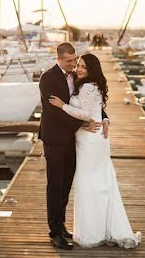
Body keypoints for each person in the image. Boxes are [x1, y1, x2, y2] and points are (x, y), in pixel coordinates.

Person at [49, 53, 141, 249]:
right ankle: (101, 228)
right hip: (93, 138)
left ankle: (92, 232)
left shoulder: (88, 86)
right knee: (99, 182)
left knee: (89, 183)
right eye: (78, 65)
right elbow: (96, 111)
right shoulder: (85, 83)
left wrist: (62, 105)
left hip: (90, 140)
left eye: (83, 66)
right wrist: (104, 119)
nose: (79, 69)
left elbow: (86, 114)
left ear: (92, 70)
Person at [38, 42, 104, 250]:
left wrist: (105, 117)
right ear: (58, 59)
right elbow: (54, 112)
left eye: (75, 60)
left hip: (72, 139)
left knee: (66, 183)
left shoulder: (75, 75)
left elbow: (91, 101)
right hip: (55, 139)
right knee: (55, 185)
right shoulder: (47, 78)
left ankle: (62, 224)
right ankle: (54, 232)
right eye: (69, 61)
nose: (73, 64)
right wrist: (83, 122)